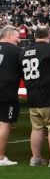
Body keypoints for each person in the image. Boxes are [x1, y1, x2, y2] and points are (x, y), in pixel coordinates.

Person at [20, 25, 50, 167]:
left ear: (35, 36)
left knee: (36, 128)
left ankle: (35, 158)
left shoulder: (25, 50)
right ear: (49, 36)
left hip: (33, 94)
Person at [0, 24, 22, 166]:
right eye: (17, 37)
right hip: (6, 93)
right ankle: (0, 157)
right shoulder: (16, 51)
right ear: (8, 35)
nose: (19, 40)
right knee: (4, 124)